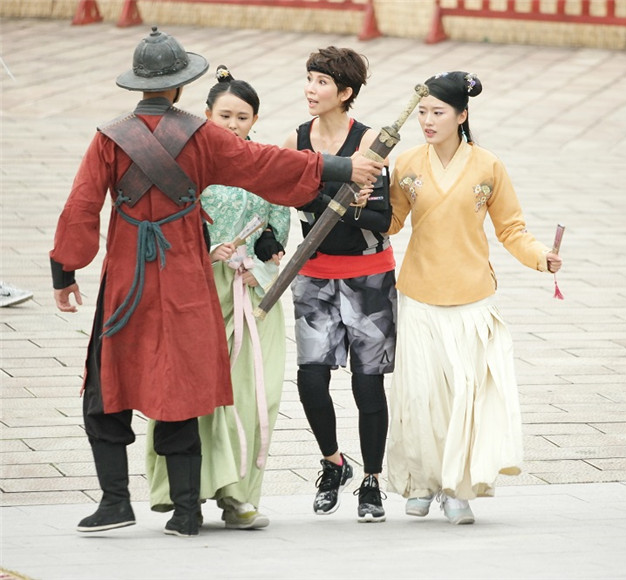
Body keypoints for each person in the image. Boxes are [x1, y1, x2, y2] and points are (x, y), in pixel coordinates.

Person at [50, 27, 382, 538]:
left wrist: (65, 270)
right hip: (188, 279)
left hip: (127, 282)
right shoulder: (201, 136)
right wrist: (340, 166)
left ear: (139, 85)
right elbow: (264, 164)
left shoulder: (109, 137)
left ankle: (115, 502)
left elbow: (82, 205)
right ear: (181, 86)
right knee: (181, 387)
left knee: (103, 387)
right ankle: (186, 513)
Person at [384, 71, 563, 525]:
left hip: (471, 297)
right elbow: (391, 224)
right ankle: (423, 483)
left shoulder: (488, 166)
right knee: (421, 398)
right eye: (422, 112)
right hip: (419, 293)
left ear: (462, 116)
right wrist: (360, 197)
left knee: (466, 397)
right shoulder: (406, 164)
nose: (427, 121)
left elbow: (511, 229)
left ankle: (457, 490)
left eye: (438, 112)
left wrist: (541, 256)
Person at [144, 65, 289, 530]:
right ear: (206, 116)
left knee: (255, 394)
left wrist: (266, 249)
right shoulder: (186, 166)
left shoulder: (264, 164)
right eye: (224, 116)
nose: (233, 125)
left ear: (255, 120)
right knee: (197, 394)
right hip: (199, 291)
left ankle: (239, 497)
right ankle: (184, 492)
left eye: (242, 117)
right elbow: (169, 229)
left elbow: (277, 223)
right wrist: (208, 251)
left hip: (253, 293)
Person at [281, 46, 396, 522]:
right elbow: (282, 194)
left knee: (368, 386)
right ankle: (333, 463)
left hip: (369, 276)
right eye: (309, 79)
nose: (311, 89)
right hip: (315, 274)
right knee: (311, 379)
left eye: (322, 82)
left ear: (345, 92)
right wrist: (338, 197)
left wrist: (325, 196)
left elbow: (381, 218)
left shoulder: (370, 142)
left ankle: (372, 480)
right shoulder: (297, 139)